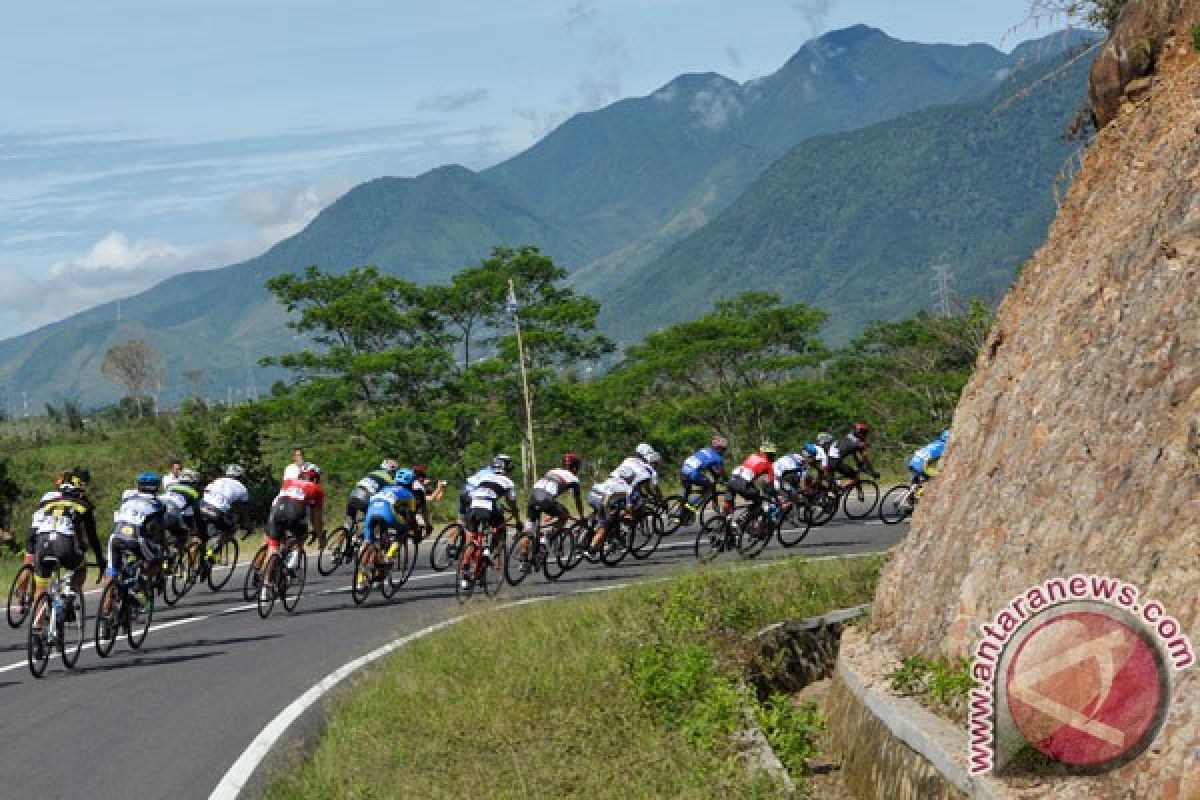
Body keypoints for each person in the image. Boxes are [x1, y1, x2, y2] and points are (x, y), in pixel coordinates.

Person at [26, 476, 93, 624]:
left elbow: (36, 526)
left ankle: (38, 629)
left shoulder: (47, 502)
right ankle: (70, 596)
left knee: (40, 589)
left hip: (41, 542)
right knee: (81, 568)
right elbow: (88, 536)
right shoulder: (81, 505)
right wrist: (95, 556)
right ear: (79, 493)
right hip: (64, 545)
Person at [101, 472, 167, 613]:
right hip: (136, 540)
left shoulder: (127, 496)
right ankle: (139, 587)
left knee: (112, 573)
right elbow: (158, 533)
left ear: (138, 485)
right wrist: (162, 548)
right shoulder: (158, 504)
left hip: (116, 537)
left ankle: (106, 610)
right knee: (156, 561)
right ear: (156, 487)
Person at [263, 463, 325, 598]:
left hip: (276, 512)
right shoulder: (316, 489)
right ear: (315, 478)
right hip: (294, 512)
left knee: (273, 548)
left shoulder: (288, 482)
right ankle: (292, 563)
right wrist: (321, 538)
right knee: (300, 538)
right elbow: (316, 519)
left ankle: (265, 586)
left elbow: (279, 500)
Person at [462, 455, 521, 589]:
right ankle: (489, 550)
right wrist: (518, 521)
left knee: (472, 539)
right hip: (488, 507)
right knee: (500, 528)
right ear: (506, 470)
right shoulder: (508, 482)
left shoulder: (484, 476)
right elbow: (512, 503)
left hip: (472, 506)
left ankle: (465, 569)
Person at [360, 469, 418, 585]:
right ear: (411, 483)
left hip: (370, 512)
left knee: (368, 543)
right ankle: (390, 555)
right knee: (403, 530)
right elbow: (411, 517)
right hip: (387, 512)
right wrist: (415, 532)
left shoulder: (384, 488)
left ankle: (360, 579)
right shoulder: (409, 494)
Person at [522, 452, 585, 544]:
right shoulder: (574, 479)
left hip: (533, 497)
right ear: (575, 467)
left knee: (528, 531)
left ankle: (523, 556)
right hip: (546, 500)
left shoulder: (552, 471)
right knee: (565, 514)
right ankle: (547, 538)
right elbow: (577, 500)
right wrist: (581, 516)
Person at [198, 464, 251, 556]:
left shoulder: (218, 480)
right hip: (216, 511)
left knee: (199, 537)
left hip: (201, 507)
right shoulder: (242, 488)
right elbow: (243, 511)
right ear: (240, 477)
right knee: (231, 529)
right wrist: (247, 525)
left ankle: (191, 565)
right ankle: (211, 553)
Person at [725, 441, 779, 526]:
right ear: (769, 454)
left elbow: (748, 475)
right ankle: (742, 523)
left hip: (731, 480)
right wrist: (775, 499)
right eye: (773, 455)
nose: (773, 458)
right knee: (758, 501)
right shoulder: (768, 465)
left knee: (729, 502)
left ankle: (726, 521)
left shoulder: (752, 456)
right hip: (741, 484)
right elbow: (769, 485)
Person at [679, 436, 727, 522]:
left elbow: (709, 466)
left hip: (683, 470)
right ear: (719, 449)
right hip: (693, 473)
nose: (724, 451)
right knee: (709, 488)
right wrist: (724, 481)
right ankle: (690, 507)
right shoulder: (718, 458)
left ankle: (680, 513)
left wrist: (715, 474)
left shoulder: (704, 450)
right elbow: (720, 473)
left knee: (686, 492)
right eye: (724, 449)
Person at [585, 473, 632, 554]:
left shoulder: (613, 479)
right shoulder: (628, 488)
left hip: (592, 494)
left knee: (598, 511)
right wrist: (629, 514)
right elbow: (628, 505)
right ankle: (591, 550)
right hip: (601, 499)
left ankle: (583, 532)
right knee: (605, 524)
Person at [345, 460, 397, 529]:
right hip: (364, 499)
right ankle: (365, 537)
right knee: (376, 520)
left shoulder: (371, 473)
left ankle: (345, 532)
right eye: (394, 471)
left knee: (350, 522)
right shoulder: (388, 478)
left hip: (353, 496)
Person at [160, 468, 203, 550]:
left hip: (156, 513)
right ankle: (174, 559)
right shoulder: (193, 493)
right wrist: (198, 530)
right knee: (184, 536)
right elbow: (197, 513)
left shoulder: (171, 487)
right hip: (170, 517)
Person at [828, 422, 880, 487]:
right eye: (864, 433)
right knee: (855, 476)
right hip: (835, 461)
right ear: (860, 433)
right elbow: (866, 460)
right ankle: (842, 487)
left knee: (830, 484)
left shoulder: (848, 437)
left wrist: (858, 463)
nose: (865, 435)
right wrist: (873, 472)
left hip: (828, 459)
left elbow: (854, 453)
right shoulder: (859, 443)